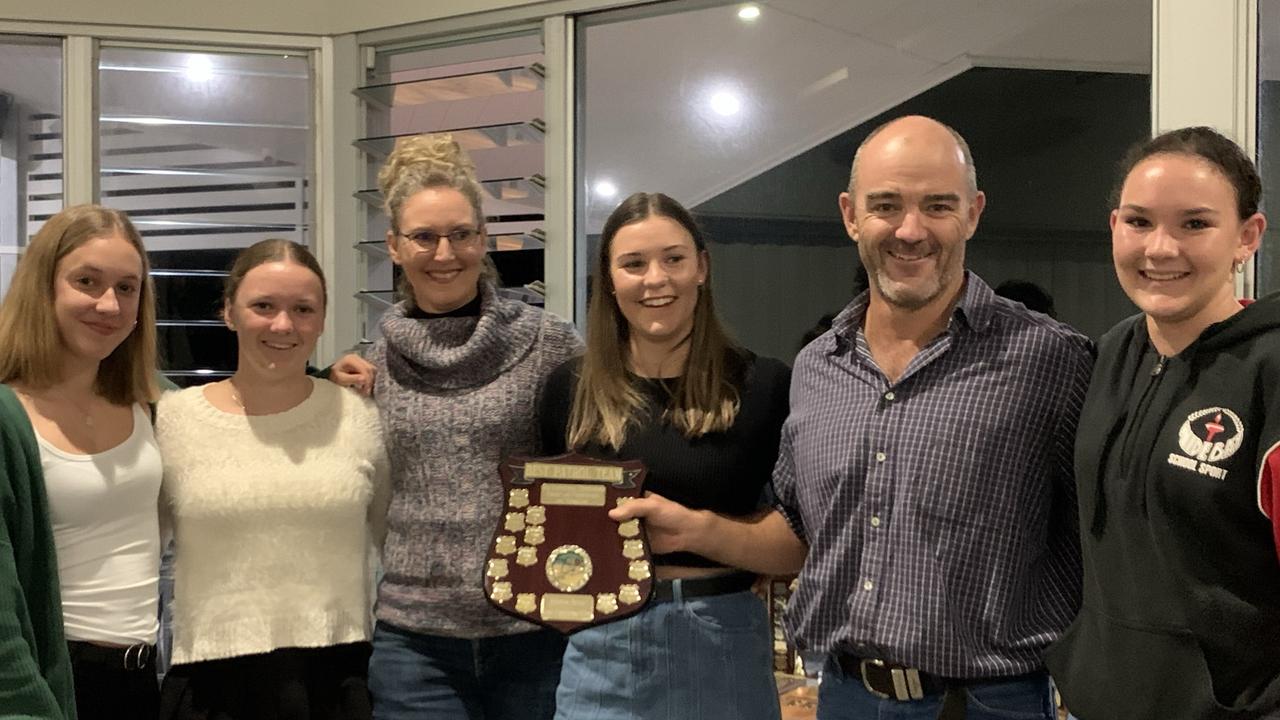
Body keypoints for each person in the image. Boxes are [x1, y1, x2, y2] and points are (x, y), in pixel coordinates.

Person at [612, 115, 1094, 719]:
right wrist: (690, 529)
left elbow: (1103, 546)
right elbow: (801, 532)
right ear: (850, 215)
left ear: (973, 212)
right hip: (845, 697)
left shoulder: (1051, 361)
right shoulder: (818, 367)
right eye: (886, 205)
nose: (910, 230)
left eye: (937, 206)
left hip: (983, 703)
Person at [1044, 127, 1280, 718]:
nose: (1161, 248)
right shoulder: (1112, 353)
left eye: (1194, 224)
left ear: (1247, 237)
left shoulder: (1270, 369)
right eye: (1140, 222)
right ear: (1114, 227)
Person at [348, 133, 582, 720]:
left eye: (461, 234)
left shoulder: (547, 342)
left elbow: (592, 463)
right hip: (413, 644)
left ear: (483, 239)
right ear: (395, 248)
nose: (444, 253)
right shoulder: (375, 362)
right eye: (424, 237)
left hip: (532, 631)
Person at [539, 192, 790, 720]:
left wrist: (697, 530)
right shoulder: (569, 390)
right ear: (609, 279)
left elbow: (800, 550)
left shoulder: (764, 386)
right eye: (633, 264)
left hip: (720, 639)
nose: (656, 279)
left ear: (702, 266)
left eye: (673, 259)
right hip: (597, 646)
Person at [154, 239, 389, 719]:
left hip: (337, 680)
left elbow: (391, 541)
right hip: (210, 684)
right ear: (228, 312)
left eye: (303, 309)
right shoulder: (173, 420)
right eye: (263, 306)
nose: (283, 325)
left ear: (322, 320)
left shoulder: (361, 417)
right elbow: (140, 555)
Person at [0, 204, 161, 720]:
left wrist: (327, 376)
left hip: (143, 678)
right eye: (87, 282)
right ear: (43, 287)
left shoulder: (152, 404)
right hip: (50, 680)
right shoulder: (8, 415)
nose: (109, 305)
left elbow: (240, 407)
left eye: (127, 287)